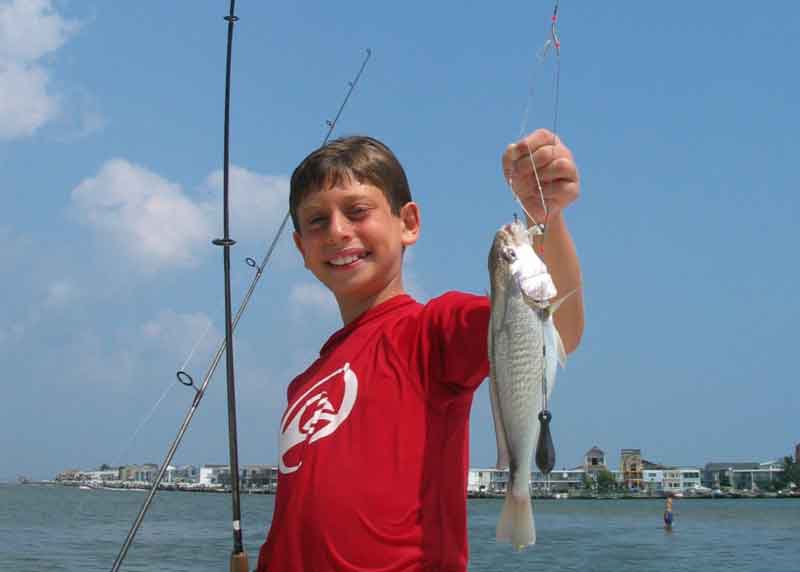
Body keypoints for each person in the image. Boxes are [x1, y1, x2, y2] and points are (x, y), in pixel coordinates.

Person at [255, 130, 584, 572]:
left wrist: (547, 217)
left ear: (408, 223)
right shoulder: (304, 383)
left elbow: (557, 328)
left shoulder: (432, 332)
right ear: (301, 248)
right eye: (316, 221)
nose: (337, 231)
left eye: (357, 211)